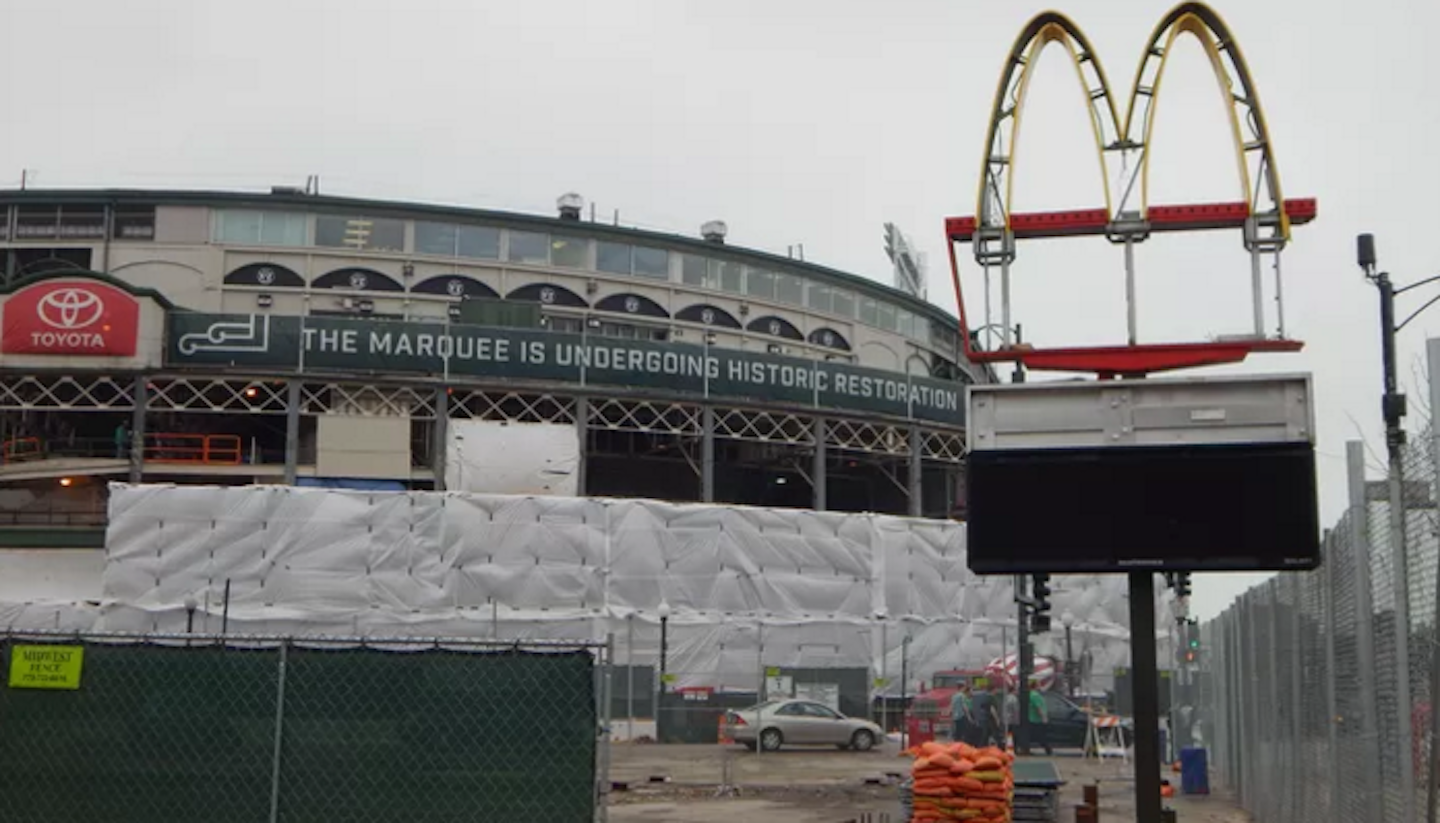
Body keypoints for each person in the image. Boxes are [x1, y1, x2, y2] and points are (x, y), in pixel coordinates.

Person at [1028, 682, 1053, 756]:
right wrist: (1044, 717)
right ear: (1035, 686)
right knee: (1041, 736)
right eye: (1039, 685)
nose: (1040, 687)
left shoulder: (1032, 694)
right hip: (1036, 720)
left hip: (1034, 719)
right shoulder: (1035, 695)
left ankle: (1027, 748)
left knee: (1035, 735)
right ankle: (1048, 749)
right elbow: (1038, 707)